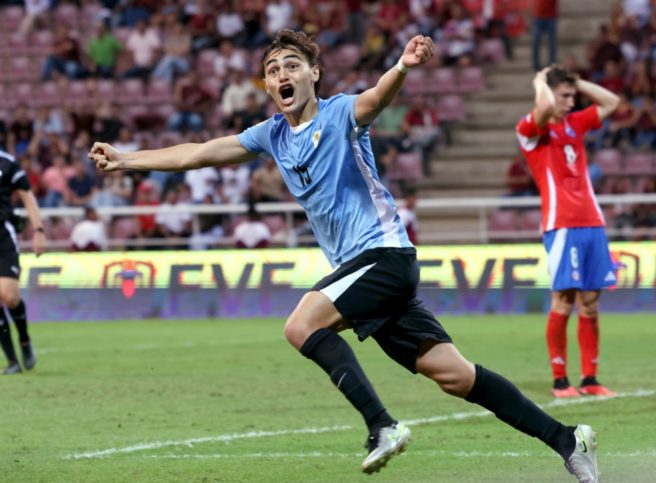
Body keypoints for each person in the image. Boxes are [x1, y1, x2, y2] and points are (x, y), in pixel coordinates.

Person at [90, 30, 600, 482]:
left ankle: (382, 425)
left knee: (299, 325)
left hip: (383, 256)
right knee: (456, 376)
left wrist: (402, 66)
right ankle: (567, 439)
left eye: (292, 65)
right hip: (366, 272)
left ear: (314, 73)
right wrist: (127, 159)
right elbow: (197, 152)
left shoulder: (339, 113)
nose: (282, 74)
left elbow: (377, 97)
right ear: (268, 87)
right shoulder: (271, 134)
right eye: (272, 70)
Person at [516, 65, 620, 399]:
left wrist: (578, 83)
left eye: (572, 96)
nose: (570, 101)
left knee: (590, 302)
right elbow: (544, 109)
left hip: (592, 221)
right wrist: (539, 82)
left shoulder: (576, 123)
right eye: (565, 95)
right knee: (563, 299)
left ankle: (590, 378)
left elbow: (612, 102)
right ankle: (561, 380)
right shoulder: (531, 132)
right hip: (561, 225)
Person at [0, 148, 45, 374]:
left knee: (8, 295)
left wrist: (38, 229)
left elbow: (28, 196)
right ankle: (12, 361)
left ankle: (25, 341)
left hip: (3, 235)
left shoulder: (7, 163)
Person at [532, 0, 558, 71]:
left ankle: (552, 63)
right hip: (538, 16)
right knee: (535, 41)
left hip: (550, 17)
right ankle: (535, 64)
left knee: (551, 42)